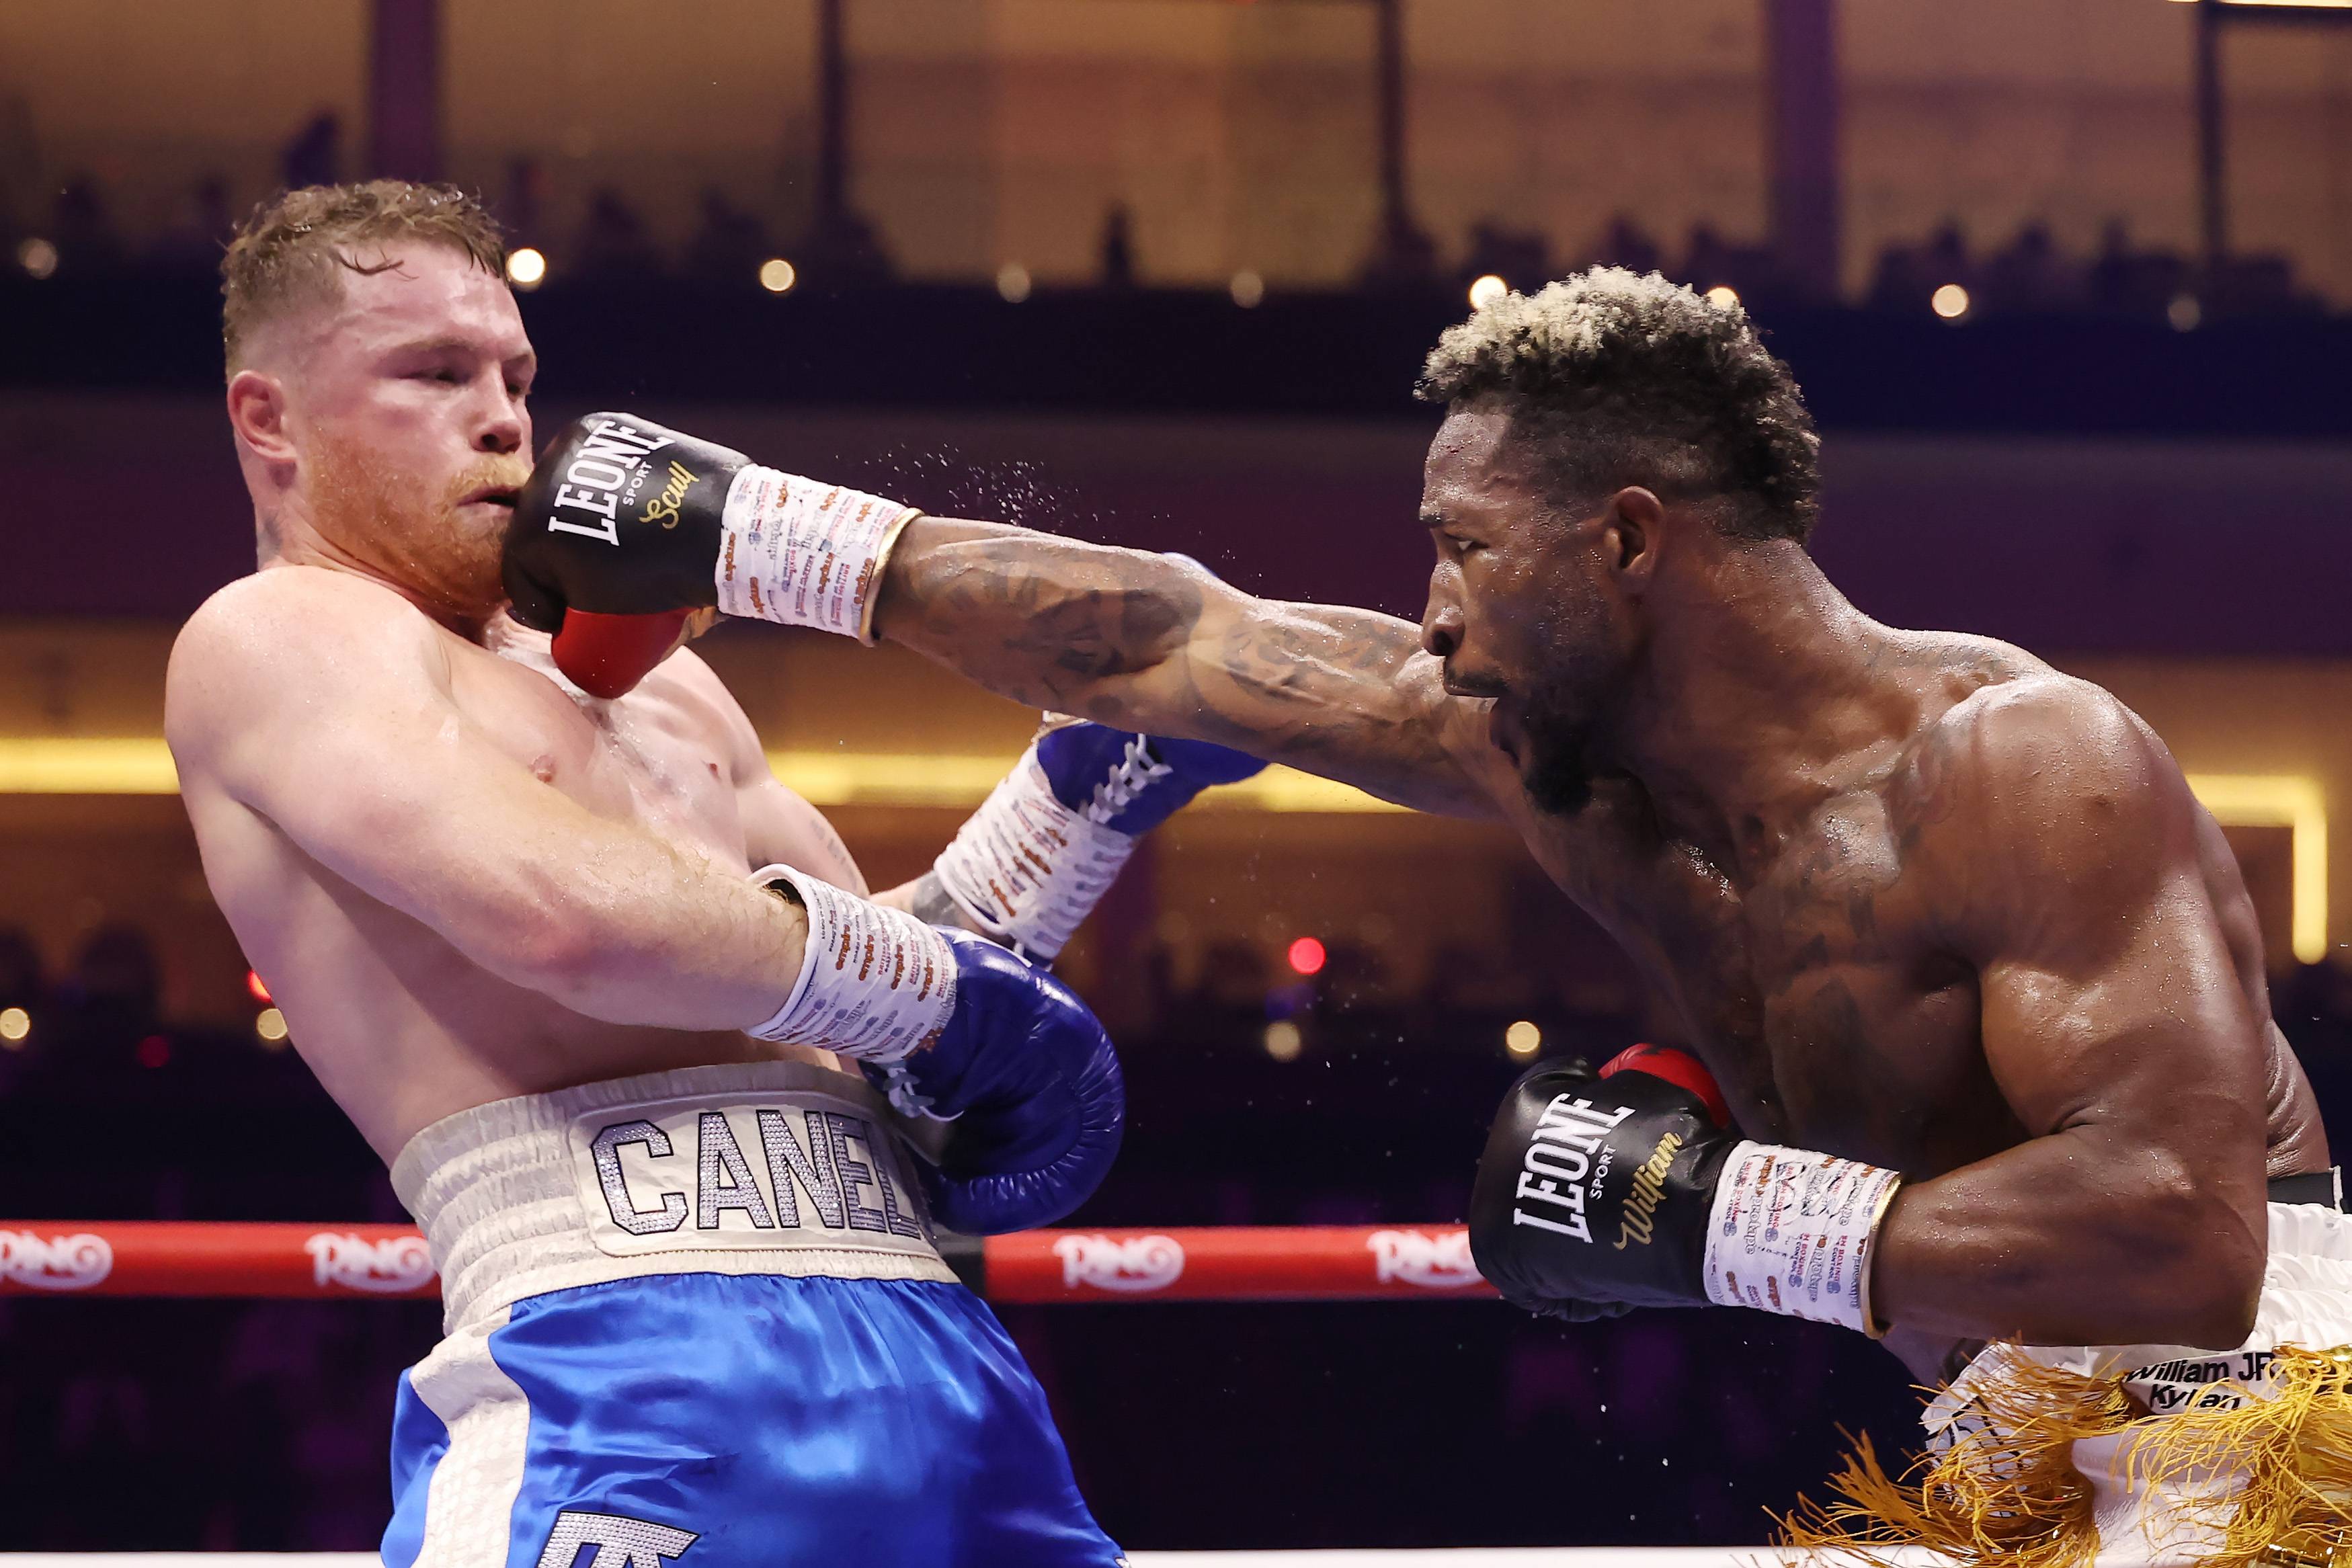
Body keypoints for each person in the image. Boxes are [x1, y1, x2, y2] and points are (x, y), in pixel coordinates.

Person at [507, 267, 2352, 1565]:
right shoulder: (1552, 762)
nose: (1434, 605)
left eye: (1465, 543)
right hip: (1995, 1414)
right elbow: (1172, 640)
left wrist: (1714, 1219)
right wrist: (757, 529)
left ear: (1625, 539)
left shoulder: (2023, 767)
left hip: (2243, 1407)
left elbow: (2178, 1234)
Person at [166, 179, 1252, 1567]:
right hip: (620, 1364)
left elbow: (846, 992)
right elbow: (564, 920)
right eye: (433, 374)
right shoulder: (276, 636)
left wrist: (1070, 807)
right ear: (269, 421)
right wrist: (941, 997)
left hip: (943, 1367)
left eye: (515, 378)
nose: (502, 420)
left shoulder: (663, 687)